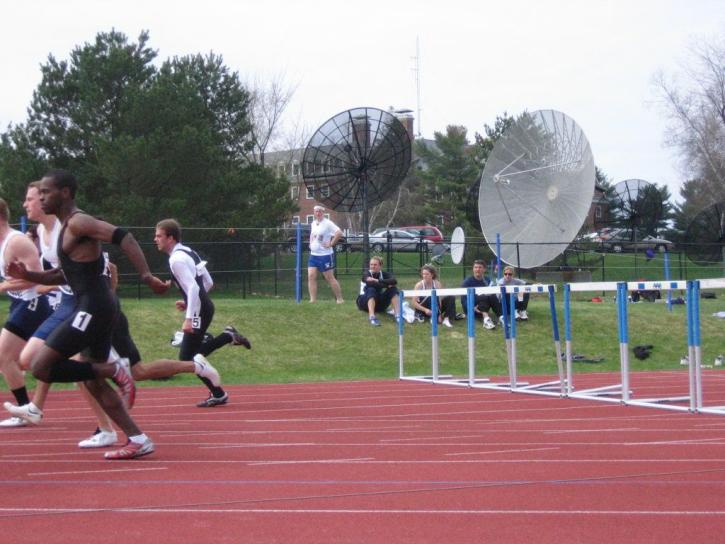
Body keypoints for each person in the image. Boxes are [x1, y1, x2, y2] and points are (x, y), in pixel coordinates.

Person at [6, 169, 169, 460]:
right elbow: (63, 274)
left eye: (46, 192)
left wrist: (146, 275)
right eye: (38, 193)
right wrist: (28, 274)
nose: (41, 197)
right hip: (92, 305)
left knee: (41, 366)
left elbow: (124, 237)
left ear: (65, 193)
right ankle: (138, 438)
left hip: (94, 307)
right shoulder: (63, 227)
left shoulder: (79, 221)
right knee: (92, 380)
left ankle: (113, 369)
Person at [154, 218, 251, 408]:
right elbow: (208, 282)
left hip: (199, 311)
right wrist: (190, 302)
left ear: (170, 238)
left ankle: (219, 389)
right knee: (191, 355)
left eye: (158, 236)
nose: (155, 239)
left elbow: (192, 288)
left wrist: (189, 317)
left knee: (186, 358)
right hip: (204, 307)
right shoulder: (188, 251)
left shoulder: (176, 259)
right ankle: (227, 340)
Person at [0, 197, 53, 427]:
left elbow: (35, 278)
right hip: (19, 303)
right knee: (27, 361)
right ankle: (28, 407)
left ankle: (25, 409)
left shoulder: (17, 242)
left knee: (4, 356)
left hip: (33, 303)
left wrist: (3, 286)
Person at [307, 205, 343, 303]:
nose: (318, 213)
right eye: (316, 211)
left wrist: (331, 243)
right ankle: (313, 300)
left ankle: (339, 299)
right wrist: (311, 243)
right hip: (313, 255)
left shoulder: (328, 223)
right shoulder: (313, 223)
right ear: (314, 212)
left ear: (323, 213)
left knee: (329, 277)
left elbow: (339, 232)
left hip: (325, 255)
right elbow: (312, 234)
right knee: (311, 276)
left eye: (320, 211)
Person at [356, 256, 400, 326]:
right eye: (371, 264)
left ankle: (397, 315)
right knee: (371, 289)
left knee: (393, 289)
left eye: (375, 265)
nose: (372, 266)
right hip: (363, 303)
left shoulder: (384, 274)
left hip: (379, 304)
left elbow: (394, 281)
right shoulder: (366, 274)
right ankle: (372, 317)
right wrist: (387, 285)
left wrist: (377, 280)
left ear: (380, 266)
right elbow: (371, 284)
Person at [460, 259, 502, 330]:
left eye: (480, 267)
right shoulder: (467, 282)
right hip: (472, 308)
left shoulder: (487, 280)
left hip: (483, 305)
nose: (477, 269)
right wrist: (472, 307)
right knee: (484, 295)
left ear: (484, 269)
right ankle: (487, 318)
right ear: (473, 269)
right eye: (475, 267)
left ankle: (500, 317)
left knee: (491, 294)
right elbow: (463, 299)